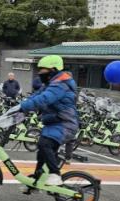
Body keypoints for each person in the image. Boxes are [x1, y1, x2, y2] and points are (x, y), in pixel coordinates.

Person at [13, 55, 78, 187]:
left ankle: (55, 175)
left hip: (65, 124)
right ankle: (37, 180)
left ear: (53, 70)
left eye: (43, 70)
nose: (40, 73)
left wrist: (23, 107)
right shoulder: (50, 84)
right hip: (54, 123)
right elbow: (36, 96)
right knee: (41, 153)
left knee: (45, 144)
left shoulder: (60, 85)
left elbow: (44, 99)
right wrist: (19, 107)